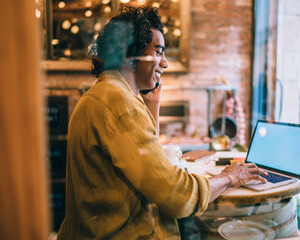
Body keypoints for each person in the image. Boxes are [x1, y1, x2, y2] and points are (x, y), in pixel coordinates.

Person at [56, 6, 267, 239]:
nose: (165, 63)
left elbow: (145, 167)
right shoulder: (119, 102)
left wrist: (151, 106)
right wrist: (229, 177)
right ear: (131, 53)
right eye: (158, 52)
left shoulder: (102, 94)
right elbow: (176, 198)